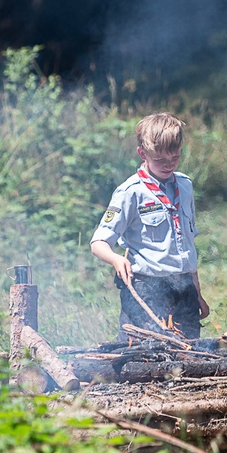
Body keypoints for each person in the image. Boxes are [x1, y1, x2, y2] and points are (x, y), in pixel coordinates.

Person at [90, 112, 209, 341]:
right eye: (160, 160)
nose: (168, 165)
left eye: (174, 158)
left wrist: (197, 294)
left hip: (184, 288)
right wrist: (116, 259)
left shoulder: (184, 186)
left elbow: (187, 246)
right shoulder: (130, 192)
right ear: (142, 153)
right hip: (147, 288)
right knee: (145, 355)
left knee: (189, 354)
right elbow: (98, 242)